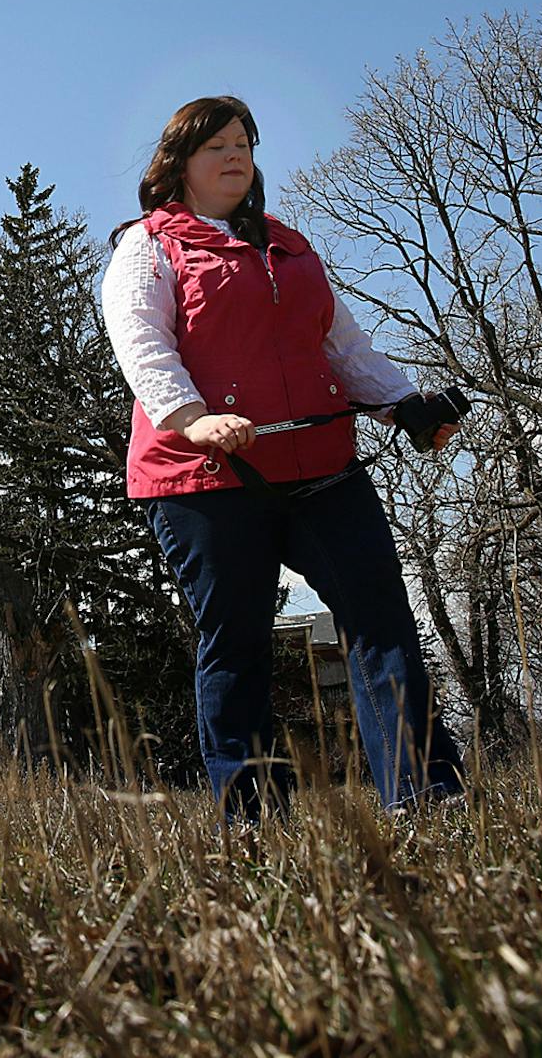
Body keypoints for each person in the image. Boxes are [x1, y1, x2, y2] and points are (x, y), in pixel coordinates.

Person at [102, 95, 464, 818]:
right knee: (237, 641)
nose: (235, 156)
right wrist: (194, 420)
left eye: (243, 143)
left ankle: (424, 798)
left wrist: (405, 405)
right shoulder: (148, 246)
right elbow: (143, 346)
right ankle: (255, 817)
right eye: (216, 147)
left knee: (382, 620)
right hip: (207, 477)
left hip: (324, 468)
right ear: (178, 164)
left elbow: (343, 346)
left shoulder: (290, 247)